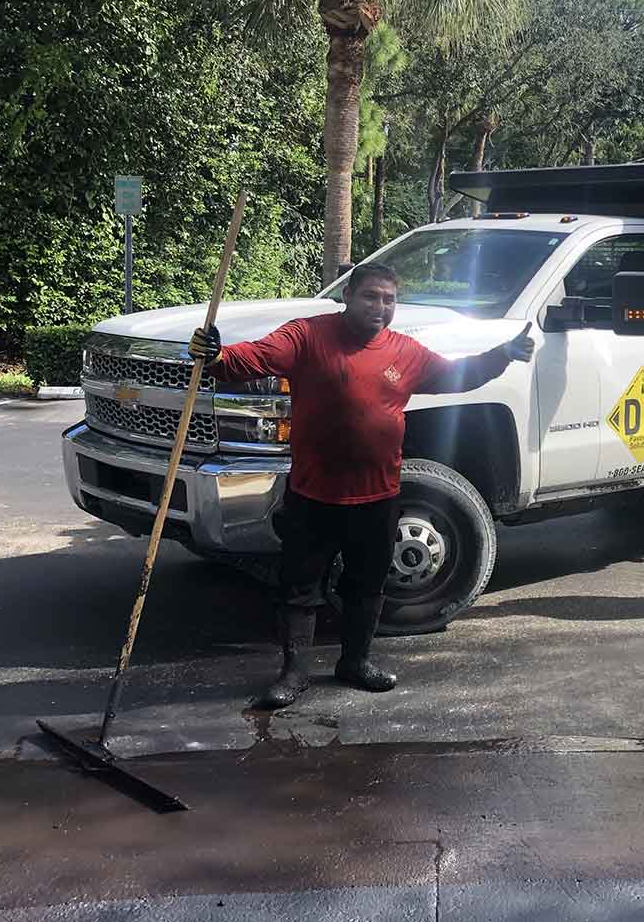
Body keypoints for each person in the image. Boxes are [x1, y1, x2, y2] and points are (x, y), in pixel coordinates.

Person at [187, 262, 535, 708]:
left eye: (389, 299)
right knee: (299, 589)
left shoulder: (404, 351)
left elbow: (456, 375)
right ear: (348, 296)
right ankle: (294, 674)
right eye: (371, 296)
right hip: (313, 495)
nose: (380, 307)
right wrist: (216, 355)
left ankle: (355, 662)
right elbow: (254, 357)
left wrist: (503, 354)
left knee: (368, 586)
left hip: (378, 496)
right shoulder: (307, 335)